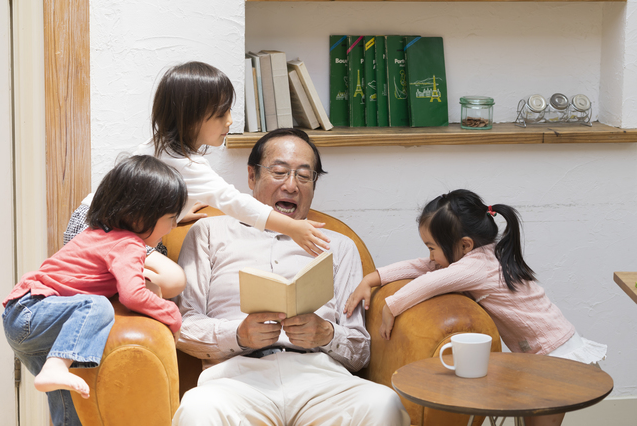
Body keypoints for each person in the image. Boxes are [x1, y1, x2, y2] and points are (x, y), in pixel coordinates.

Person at [173, 128, 409, 426]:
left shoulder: (340, 246)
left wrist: (327, 334)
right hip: (235, 380)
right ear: (252, 176)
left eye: (304, 176)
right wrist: (238, 334)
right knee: (197, 409)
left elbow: (360, 349)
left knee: (382, 403)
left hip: (321, 379)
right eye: (279, 172)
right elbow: (183, 326)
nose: (291, 185)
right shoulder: (208, 233)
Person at [65, 62, 330, 300]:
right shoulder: (191, 167)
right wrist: (292, 227)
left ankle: (109, 281)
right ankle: (119, 286)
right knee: (174, 281)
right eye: (221, 114)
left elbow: (134, 195)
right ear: (191, 118)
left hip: (85, 223)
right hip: (106, 234)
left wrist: (177, 212)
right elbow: (237, 203)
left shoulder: (154, 146)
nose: (230, 121)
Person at [344, 189, 607, 426]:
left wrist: (391, 306)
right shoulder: (482, 256)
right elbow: (424, 266)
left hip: (556, 356)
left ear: (465, 245)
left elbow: (430, 281)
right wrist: (372, 279)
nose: (430, 256)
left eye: (432, 247)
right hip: (543, 354)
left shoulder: (476, 266)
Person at [3, 155, 185, 426]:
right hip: (32, 310)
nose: (173, 226)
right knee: (97, 306)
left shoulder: (99, 234)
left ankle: (56, 368)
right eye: (171, 218)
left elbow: (122, 283)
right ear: (140, 215)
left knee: (70, 410)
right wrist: (173, 314)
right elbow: (132, 295)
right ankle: (56, 366)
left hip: (26, 318)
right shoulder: (128, 244)